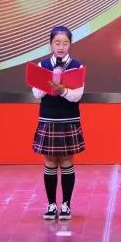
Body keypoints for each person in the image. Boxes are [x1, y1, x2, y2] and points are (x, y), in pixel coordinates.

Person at [31, 26, 86, 221]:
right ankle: (51, 204)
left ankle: (66, 204)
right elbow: (36, 93)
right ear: (51, 44)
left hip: (68, 119)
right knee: (49, 162)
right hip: (48, 118)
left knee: (66, 161)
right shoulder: (42, 65)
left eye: (65, 43)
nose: (61, 47)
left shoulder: (77, 66)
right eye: (57, 43)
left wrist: (62, 90)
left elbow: (77, 96)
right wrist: (48, 84)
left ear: (70, 44)